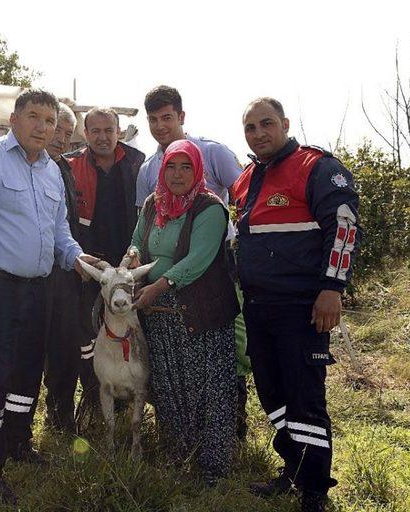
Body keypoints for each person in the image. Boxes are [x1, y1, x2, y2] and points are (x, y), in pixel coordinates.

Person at [0, 89, 94, 504]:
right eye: (33, 117)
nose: (42, 127)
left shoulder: (51, 171)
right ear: (13, 118)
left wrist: (78, 260)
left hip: (40, 288)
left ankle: (17, 443)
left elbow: (60, 233)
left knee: (28, 372)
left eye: (49, 121)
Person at [234, 97, 360, 512]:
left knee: (306, 397)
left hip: (303, 306)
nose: (259, 134)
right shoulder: (246, 177)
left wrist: (332, 289)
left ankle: (315, 490)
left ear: (285, 123)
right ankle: (293, 468)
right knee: (273, 394)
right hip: (258, 306)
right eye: (250, 128)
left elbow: (343, 229)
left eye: (266, 124)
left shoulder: (318, 167)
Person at [137, 85, 250, 439]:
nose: (160, 126)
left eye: (167, 117)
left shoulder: (213, 154)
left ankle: (231, 431)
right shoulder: (148, 176)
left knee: (226, 360)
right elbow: (142, 236)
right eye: (153, 120)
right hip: (162, 304)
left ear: (181, 116)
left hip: (210, 283)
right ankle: (179, 442)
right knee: (170, 374)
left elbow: (246, 198)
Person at [130, 139, 240, 485]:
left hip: (198, 314)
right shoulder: (153, 204)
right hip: (159, 317)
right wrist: (131, 259)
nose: (178, 175)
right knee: (168, 387)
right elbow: (136, 240)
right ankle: (179, 456)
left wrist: (157, 287)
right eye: (171, 167)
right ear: (162, 170)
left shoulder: (210, 208)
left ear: (198, 170)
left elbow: (198, 260)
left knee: (208, 389)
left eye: (186, 167)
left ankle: (212, 467)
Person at [65, 107, 145, 414]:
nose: (102, 137)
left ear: (119, 132)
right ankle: (94, 395)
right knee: (87, 330)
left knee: (130, 330)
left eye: (108, 130)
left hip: (129, 266)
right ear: (85, 135)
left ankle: (129, 399)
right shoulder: (71, 165)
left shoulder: (138, 163)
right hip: (89, 267)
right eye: (95, 131)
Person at [41, 102, 83, 431]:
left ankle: (60, 413)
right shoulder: (19, 164)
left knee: (66, 345)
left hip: (65, 270)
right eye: (58, 130)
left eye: (68, 135)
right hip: (35, 273)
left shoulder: (63, 168)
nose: (62, 139)